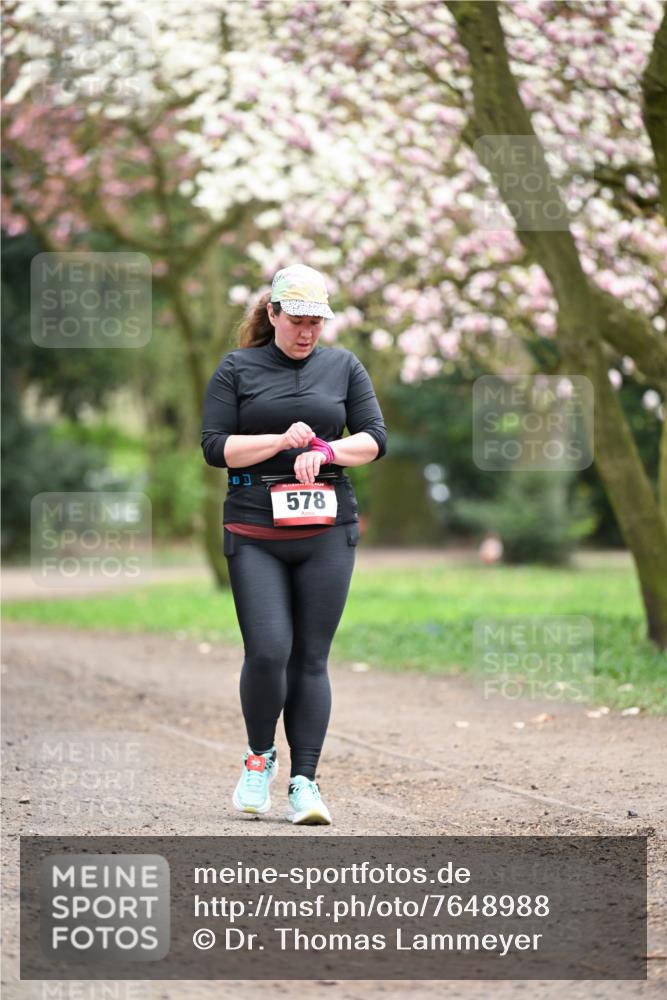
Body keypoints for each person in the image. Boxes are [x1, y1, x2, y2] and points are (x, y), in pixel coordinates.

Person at [201, 263, 387, 825]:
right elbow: (215, 447)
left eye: (317, 321)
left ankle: (304, 783)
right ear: (273, 313)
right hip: (255, 530)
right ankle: (259, 759)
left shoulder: (344, 367)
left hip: (328, 529)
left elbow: (375, 439)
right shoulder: (237, 368)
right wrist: (282, 440)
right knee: (267, 651)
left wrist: (327, 451)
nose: (307, 331)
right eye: (297, 319)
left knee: (311, 658)